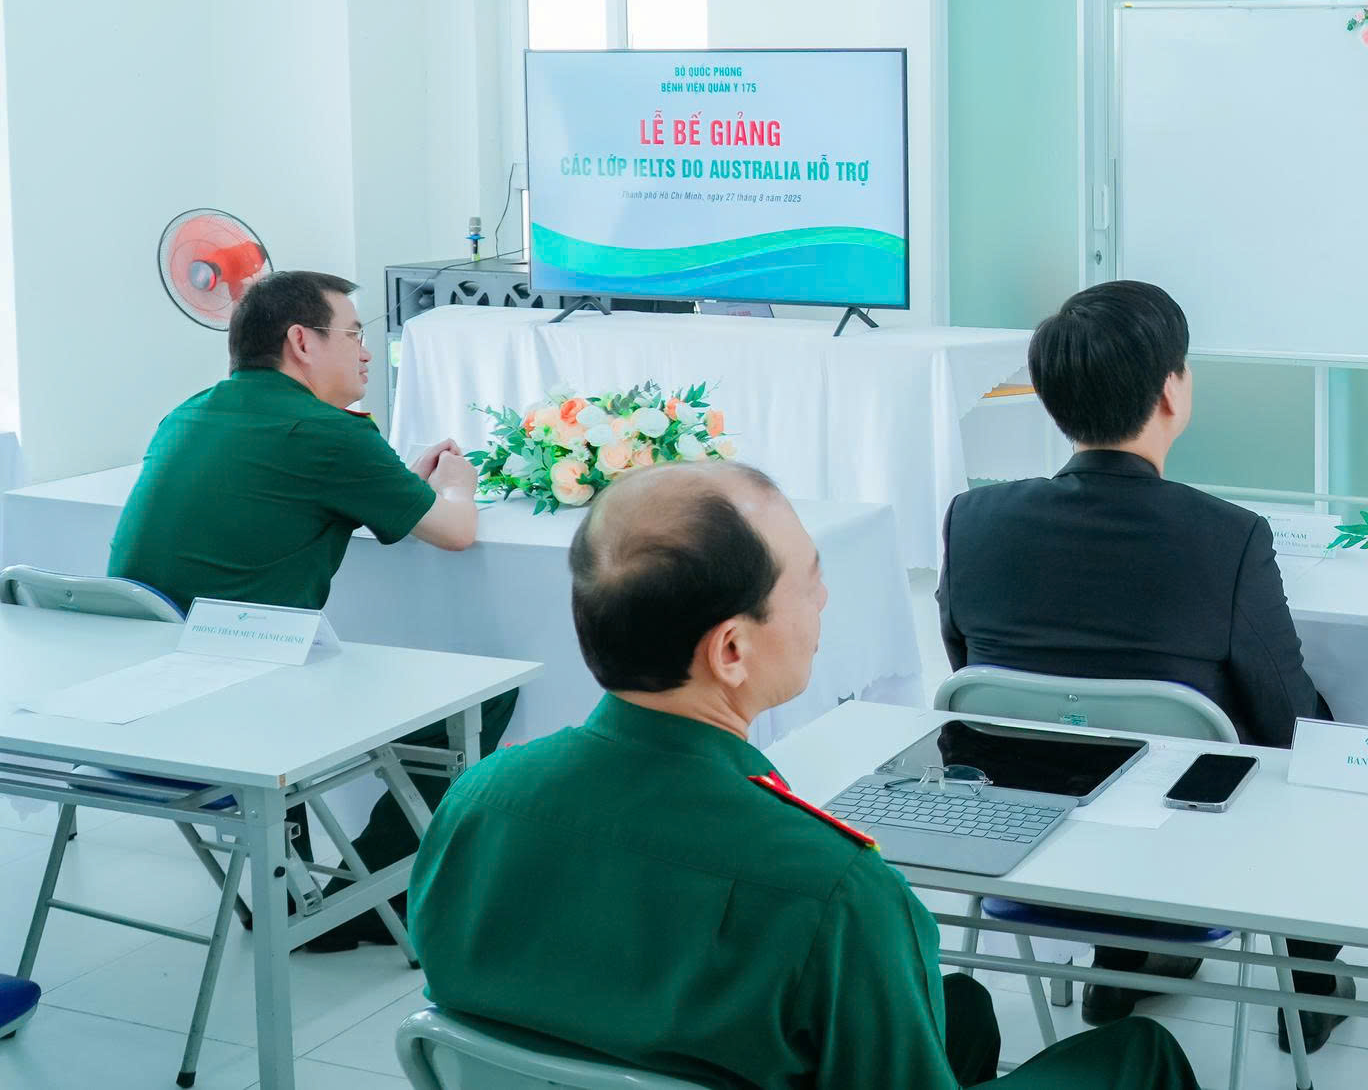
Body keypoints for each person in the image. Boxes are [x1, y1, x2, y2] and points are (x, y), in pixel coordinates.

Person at [409, 460, 1198, 1090]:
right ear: (731, 649)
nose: (823, 598)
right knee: (1136, 1053)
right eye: (808, 580)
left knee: (960, 1007)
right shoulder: (834, 888)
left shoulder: (475, 803)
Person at [939, 280, 1352, 1050]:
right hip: (1188, 838)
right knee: (1320, 732)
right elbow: (1287, 717)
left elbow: (968, 672)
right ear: (1171, 389)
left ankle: (1123, 959)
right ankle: (1310, 979)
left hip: (1032, 831)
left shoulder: (974, 519)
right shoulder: (1227, 537)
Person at [106, 269, 504, 950]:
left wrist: (395, 484)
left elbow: (283, 496)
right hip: (243, 698)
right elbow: (455, 531)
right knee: (486, 687)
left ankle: (294, 890)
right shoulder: (328, 432)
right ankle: (368, 895)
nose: (366, 352)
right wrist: (457, 486)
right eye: (353, 334)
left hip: (138, 690)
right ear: (301, 341)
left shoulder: (191, 412)